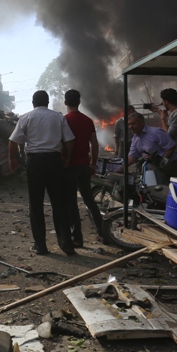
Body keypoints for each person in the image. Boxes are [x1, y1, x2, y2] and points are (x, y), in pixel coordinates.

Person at [8, 90, 77, 255]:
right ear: (47, 102)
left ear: (33, 102)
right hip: (54, 161)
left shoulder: (26, 117)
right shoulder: (58, 117)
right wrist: (66, 158)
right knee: (59, 203)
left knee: (36, 204)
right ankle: (66, 243)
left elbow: (12, 140)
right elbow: (70, 140)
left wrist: (12, 159)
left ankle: (41, 245)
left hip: (35, 162)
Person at [63, 90, 111, 247]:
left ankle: (77, 237)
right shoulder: (88, 120)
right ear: (79, 102)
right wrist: (93, 164)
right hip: (84, 165)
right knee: (89, 200)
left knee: (71, 202)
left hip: (70, 167)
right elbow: (95, 144)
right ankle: (103, 233)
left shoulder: (64, 121)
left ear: (65, 102)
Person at [123, 112, 177, 184]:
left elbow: (171, 147)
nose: (130, 127)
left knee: (173, 191)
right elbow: (132, 157)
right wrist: (121, 168)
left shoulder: (155, 132)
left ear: (142, 123)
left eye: (133, 124)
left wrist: (161, 161)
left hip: (171, 168)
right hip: (154, 170)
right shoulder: (135, 139)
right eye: (129, 124)